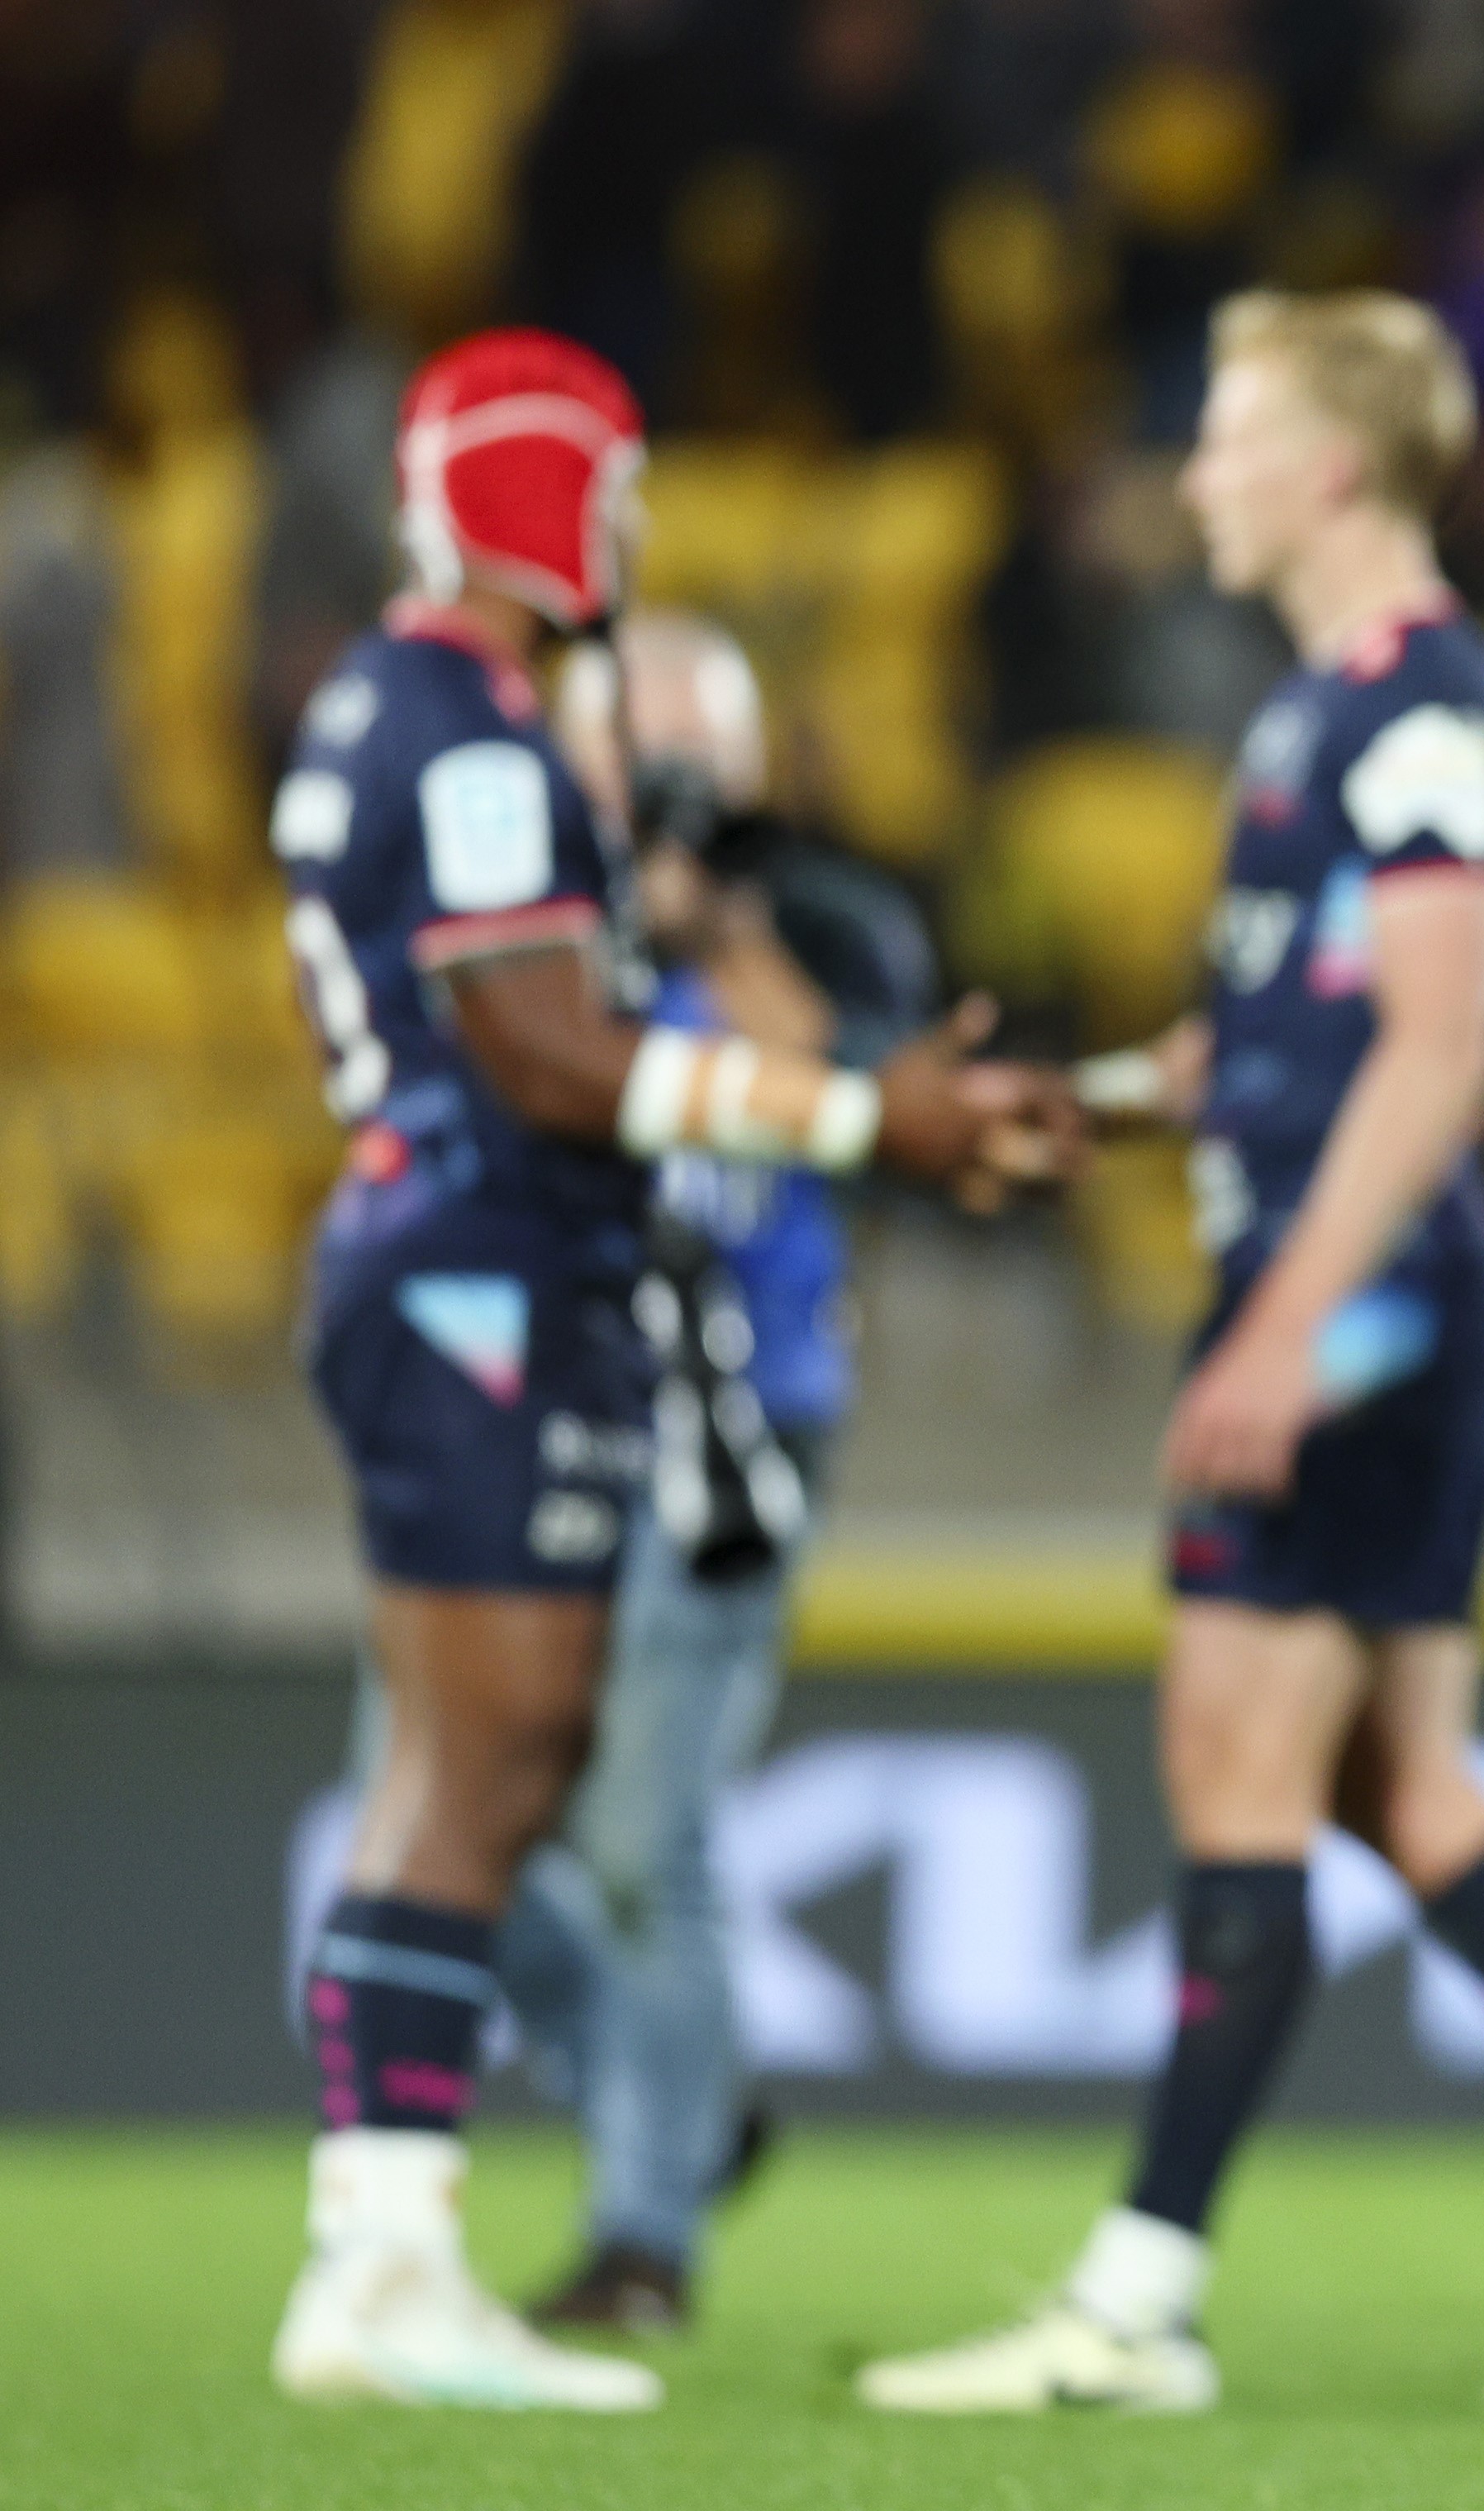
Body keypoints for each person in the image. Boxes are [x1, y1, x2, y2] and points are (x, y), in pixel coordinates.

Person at [856, 289, 1484, 2421]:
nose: (1193, 468)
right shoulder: (1324, 718)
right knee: (1400, 1787)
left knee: (1243, 1773)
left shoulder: (1433, 714)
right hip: (1352, 1296)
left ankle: (1136, 2297)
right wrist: (1101, 1099)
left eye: (1228, 429)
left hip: (1364, 1312)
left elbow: (1444, 1053)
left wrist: (1283, 1328)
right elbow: (1287, 1044)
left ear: (1337, 467)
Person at [273, 330, 1073, 2411]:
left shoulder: (413, 709)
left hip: (467, 1271)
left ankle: (395, 2237)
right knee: (485, 1777)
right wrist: (851, 1117)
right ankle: (389, 2259)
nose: (625, 532)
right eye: (608, 491)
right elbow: (548, 1051)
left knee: (500, 1773)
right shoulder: (466, 729)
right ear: (542, 494)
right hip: (485, 1278)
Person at [336, 612, 930, 2337]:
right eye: (635, 740)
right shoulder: (518, 894)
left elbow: (872, 1106)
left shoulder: (825, 914)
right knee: (428, 1799)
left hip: (734, 1419)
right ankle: (683, 2085)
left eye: (693, 745)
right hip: (534, 1391)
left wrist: (719, 925)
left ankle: (646, 2235)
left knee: (631, 1828)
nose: (661, 777)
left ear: (752, 761)